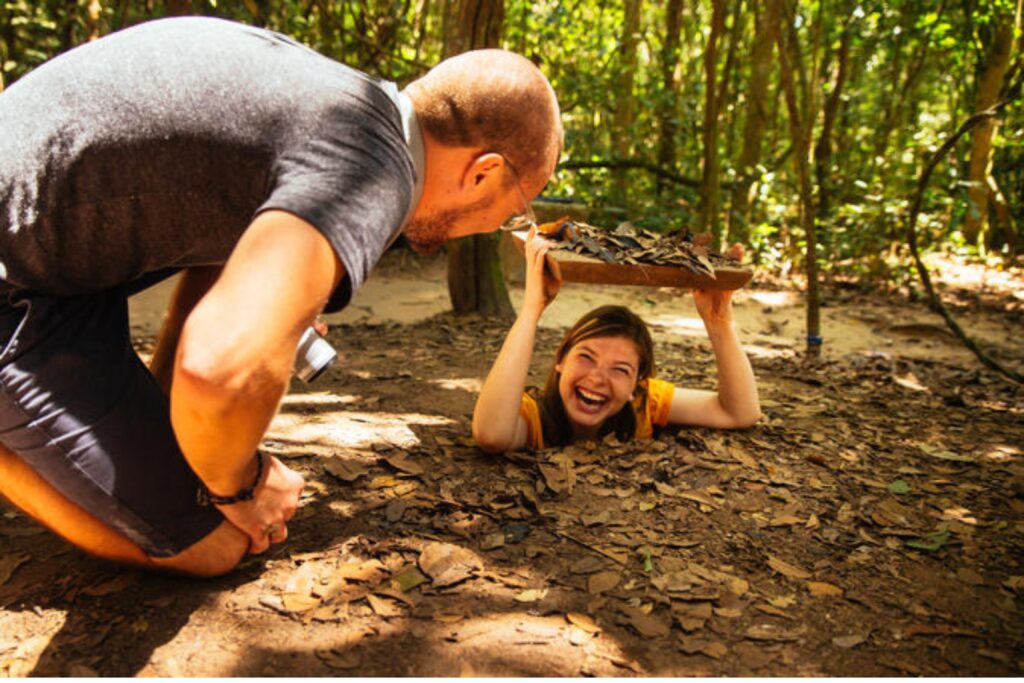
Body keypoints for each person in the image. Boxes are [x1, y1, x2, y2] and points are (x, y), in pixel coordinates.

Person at [0, 16, 562, 576]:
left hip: (56, 265)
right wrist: (239, 486)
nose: (501, 225)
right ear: (483, 172)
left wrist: (191, 432)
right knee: (216, 544)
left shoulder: (338, 102)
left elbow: (221, 254)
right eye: (515, 210)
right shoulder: (373, 171)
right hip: (23, 289)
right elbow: (220, 367)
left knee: (195, 468)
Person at [472, 229, 760, 452]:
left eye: (620, 370)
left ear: (637, 385)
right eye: (586, 357)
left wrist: (719, 321)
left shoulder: (644, 404)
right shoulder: (533, 415)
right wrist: (532, 309)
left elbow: (739, 412)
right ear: (560, 361)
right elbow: (491, 435)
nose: (597, 379)